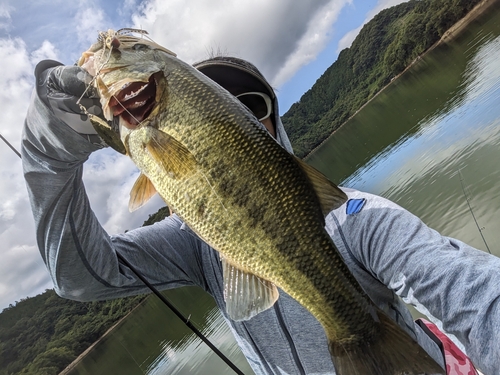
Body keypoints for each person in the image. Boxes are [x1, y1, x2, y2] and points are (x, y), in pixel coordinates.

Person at [22, 55, 499, 375]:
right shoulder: (195, 242)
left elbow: (471, 292)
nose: (238, 123)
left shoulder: (357, 219)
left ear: (274, 122)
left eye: (248, 107)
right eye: (213, 113)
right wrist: (48, 155)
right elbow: (82, 277)